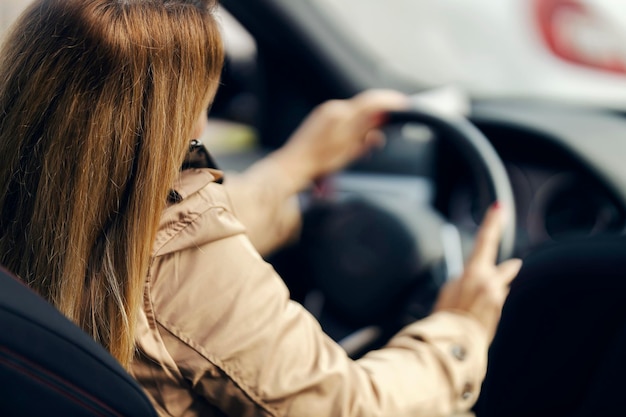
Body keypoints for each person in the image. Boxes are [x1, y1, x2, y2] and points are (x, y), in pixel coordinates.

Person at [0, 1, 522, 416]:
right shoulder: (180, 269)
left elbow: (160, 230)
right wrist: (458, 332)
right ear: (187, 121)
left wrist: (294, 167)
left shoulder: (37, 200)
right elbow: (352, 407)